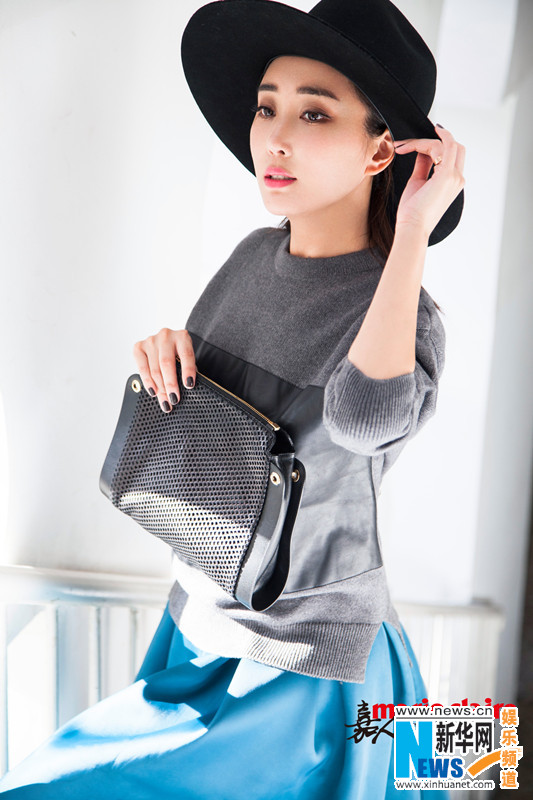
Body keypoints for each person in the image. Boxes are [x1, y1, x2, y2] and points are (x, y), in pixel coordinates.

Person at [0, 0, 465, 797]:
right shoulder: (251, 257)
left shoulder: (402, 307)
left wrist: (413, 232)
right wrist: (169, 355)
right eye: (265, 106)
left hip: (309, 664)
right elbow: (215, 432)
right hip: (199, 618)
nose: (272, 138)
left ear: (379, 149)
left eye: (313, 113)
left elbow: (365, 424)